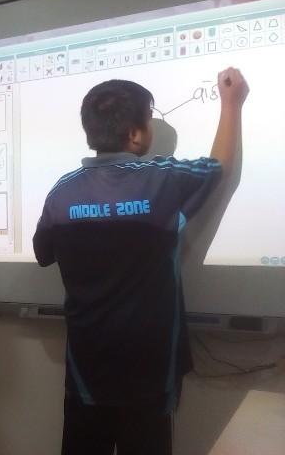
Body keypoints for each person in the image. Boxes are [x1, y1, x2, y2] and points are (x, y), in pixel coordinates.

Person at [33, 68, 249, 455]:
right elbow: (218, 166)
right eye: (149, 119)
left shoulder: (60, 193)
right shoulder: (163, 179)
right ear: (135, 134)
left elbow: (43, 254)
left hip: (86, 370)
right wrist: (231, 103)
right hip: (150, 370)